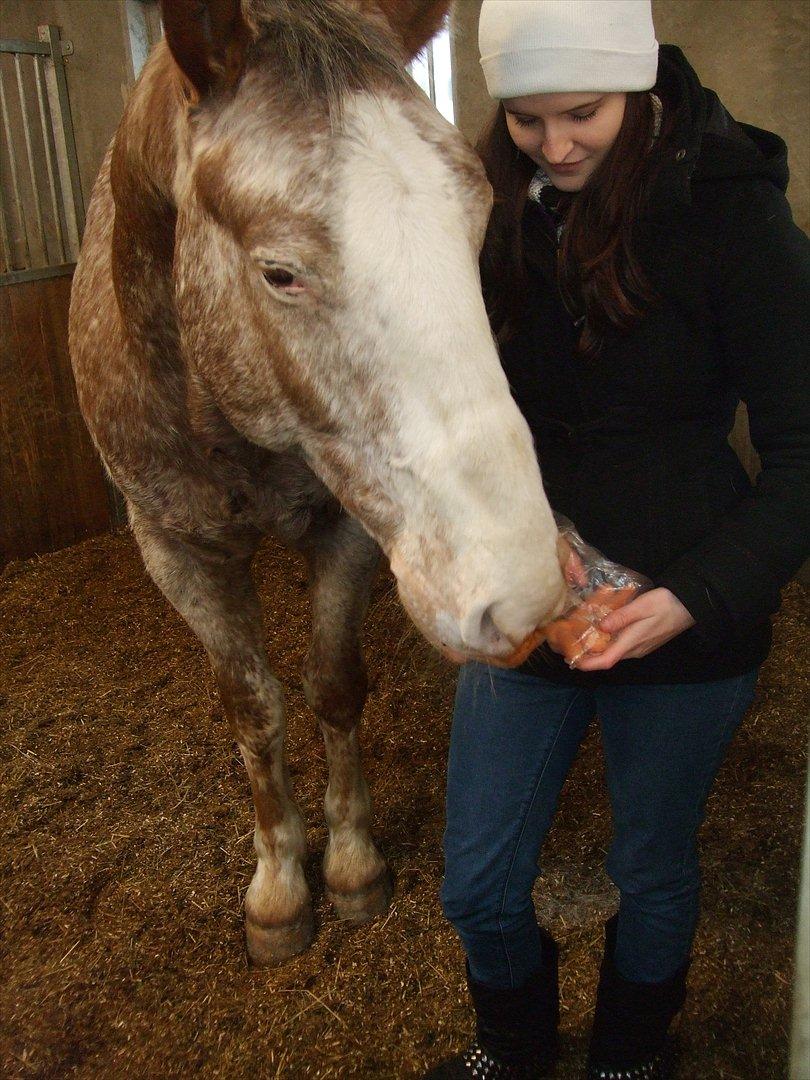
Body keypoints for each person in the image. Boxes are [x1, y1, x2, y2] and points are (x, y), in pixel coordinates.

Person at [424, 1, 810, 1078]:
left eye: (582, 113)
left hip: (685, 611)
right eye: (528, 119)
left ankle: (632, 1055)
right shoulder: (494, 216)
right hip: (532, 595)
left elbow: (802, 457)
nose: (555, 145)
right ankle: (512, 1047)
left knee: (651, 864)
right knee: (479, 878)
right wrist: (513, 545)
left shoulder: (735, 222)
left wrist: (690, 598)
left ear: (638, 87)